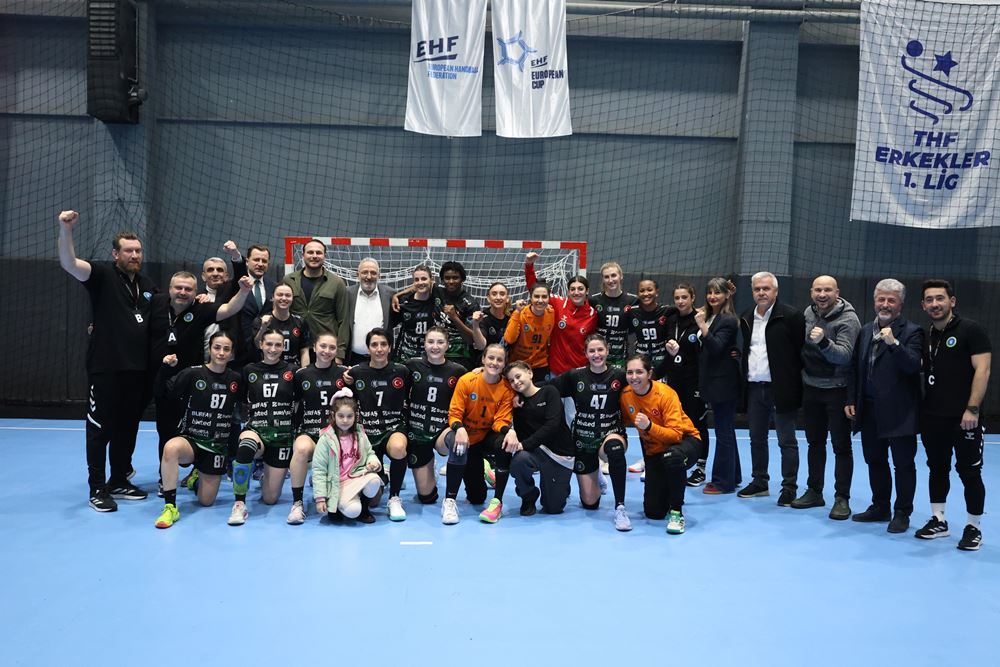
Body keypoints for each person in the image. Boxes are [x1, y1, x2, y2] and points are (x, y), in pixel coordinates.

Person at [57, 209, 157, 511]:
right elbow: (69, 263)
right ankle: (97, 488)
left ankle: (119, 480)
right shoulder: (101, 275)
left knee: (127, 428)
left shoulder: (147, 285)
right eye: (128, 251)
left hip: (137, 371)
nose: (134, 255)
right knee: (100, 428)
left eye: (138, 250)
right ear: (116, 254)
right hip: (106, 368)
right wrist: (66, 230)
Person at [149, 271, 253, 493]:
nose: (183, 292)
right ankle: (164, 479)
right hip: (162, 378)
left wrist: (244, 291)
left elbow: (229, 309)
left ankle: (198, 470)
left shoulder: (201, 309)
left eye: (188, 289)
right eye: (178, 288)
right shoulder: (156, 304)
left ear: (196, 292)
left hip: (195, 382)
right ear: (169, 289)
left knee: (200, 428)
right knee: (165, 430)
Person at [916, 279, 991, 550]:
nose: (935, 304)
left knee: (969, 472)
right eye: (929, 300)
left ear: (952, 301)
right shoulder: (925, 335)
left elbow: (983, 370)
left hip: (964, 418)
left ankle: (974, 527)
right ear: (923, 305)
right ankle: (939, 520)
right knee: (937, 468)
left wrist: (972, 408)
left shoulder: (971, 329)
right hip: (932, 417)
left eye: (940, 298)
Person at [845, 279, 923, 534]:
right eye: (881, 299)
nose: (885, 304)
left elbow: (912, 365)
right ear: (874, 301)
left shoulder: (912, 332)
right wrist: (851, 399)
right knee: (875, 460)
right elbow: (855, 367)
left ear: (901, 304)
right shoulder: (866, 330)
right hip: (868, 409)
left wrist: (894, 344)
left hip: (900, 412)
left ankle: (902, 512)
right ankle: (880, 506)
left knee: (903, 464)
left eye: (891, 300)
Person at [153, 331, 242, 528]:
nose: (221, 353)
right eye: (217, 347)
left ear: (231, 354)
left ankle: (196, 478)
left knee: (206, 501)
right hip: (192, 441)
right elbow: (162, 392)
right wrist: (165, 368)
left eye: (226, 349)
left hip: (216, 446)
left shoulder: (236, 379)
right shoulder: (192, 374)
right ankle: (170, 507)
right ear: (209, 349)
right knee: (171, 448)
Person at [793, 275, 861, 519]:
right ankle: (814, 491)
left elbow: (844, 355)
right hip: (811, 388)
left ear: (837, 293)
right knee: (814, 443)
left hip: (838, 390)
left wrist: (823, 341)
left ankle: (842, 498)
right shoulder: (808, 313)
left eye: (827, 290)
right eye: (818, 290)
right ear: (812, 292)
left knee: (841, 446)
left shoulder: (849, 319)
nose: (822, 295)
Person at [549, 334, 631, 530]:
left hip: (610, 435)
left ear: (607, 351)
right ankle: (596, 473)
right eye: (592, 351)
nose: (596, 354)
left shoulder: (620, 375)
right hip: (583, 440)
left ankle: (620, 508)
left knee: (614, 449)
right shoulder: (575, 376)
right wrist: (519, 390)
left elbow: (643, 382)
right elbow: (546, 389)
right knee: (590, 503)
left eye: (600, 350)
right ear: (585, 354)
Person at [736, 272, 805, 506]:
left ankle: (789, 487)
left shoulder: (791, 316)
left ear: (775, 291)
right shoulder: (746, 316)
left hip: (782, 389)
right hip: (755, 388)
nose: (761, 293)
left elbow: (800, 352)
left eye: (766, 288)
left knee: (787, 441)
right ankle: (760, 482)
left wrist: (792, 382)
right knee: (756, 438)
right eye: (757, 289)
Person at [620, 354, 703, 535]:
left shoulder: (666, 394)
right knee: (654, 512)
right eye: (630, 372)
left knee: (672, 457)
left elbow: (675, 435)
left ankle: (677, 513)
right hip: (656, 451)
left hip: (686, 441)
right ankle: (667, 492)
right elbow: (622, 420)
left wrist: (649, 426)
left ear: (649, 374)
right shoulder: (626, 395)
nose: (634, 377)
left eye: (639, 372)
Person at [441, 344, 517, 524]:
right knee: (459, 448)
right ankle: (449, 501)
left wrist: (509, 431)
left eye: (499, 360)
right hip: (464, 435)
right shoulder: (467, 380)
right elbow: (454, 413)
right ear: (483, 359)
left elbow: (500, 421)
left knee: (503, 443)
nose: (494, 363)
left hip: (484, 438)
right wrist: (459, 428)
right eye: (491, 358)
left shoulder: (506, 389)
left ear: (504, 364)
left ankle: (496, 501)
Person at [228, 328, 297, 525]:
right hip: (256, 430)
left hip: (282, 437)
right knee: (246, 446)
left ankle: (265, 477)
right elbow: (240, 399)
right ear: (261, 345)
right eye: (269, 344)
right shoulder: (250, 370)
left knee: (270, 498)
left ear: (283, 347)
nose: (273, 349)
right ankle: (239, 504)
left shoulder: (293, 371)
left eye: (278, 345)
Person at [348, 328, 411, 521]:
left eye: (383, 344)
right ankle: (383, 476)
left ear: (390, 347)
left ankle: (394, 498)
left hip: (393, 428)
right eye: (374, 345)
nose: (379, 349)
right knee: (373, 502)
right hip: (367, 433)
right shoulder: (356, 372)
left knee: (398, 447)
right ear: (368, 348)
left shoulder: (401, 371)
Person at [286, 333, 348, 525]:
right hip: (311, 432)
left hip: (337, 435)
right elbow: (294, 405)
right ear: (314, 347)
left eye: (332, 347)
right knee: (301, 448)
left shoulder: (345, 374)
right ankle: (297, 503)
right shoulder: (301, 374)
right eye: (323, 346)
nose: (327, 351)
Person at [654, 282, 711, 484]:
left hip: (694, 381)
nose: (680, 301)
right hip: (674, 381)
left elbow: (704, 353)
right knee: (674, 423)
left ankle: (700, 468)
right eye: (677, 298)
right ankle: (677, 460)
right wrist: (654, 374)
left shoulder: (700, 319)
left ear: (693, 298)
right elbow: (669, 355)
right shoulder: (671, 320)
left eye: (684, 297)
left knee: (697, 424)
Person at [405, 327, 465, 505]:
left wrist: (480, 372)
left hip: (442, 431)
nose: (435, 346)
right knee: (427, 498)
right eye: (430, 342)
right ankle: (430, 465)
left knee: (456, 441)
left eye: (440, 342)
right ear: (424, 344)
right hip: (417, 433)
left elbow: (474, 386)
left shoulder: (458, 371)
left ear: (447, 345)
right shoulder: (411, 365)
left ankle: (451, 498)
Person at [506, 361, 575, 516]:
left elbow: (552, 425)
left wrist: (524, 445)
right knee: (519, 461)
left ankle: (561, 484)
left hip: (559, 454)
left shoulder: (549, 392)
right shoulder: (517, 403)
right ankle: (528, 497)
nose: (516, 382)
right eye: (511, 380)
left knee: (553, 509)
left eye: (518, 376)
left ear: (530, 373)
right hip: (536, 453)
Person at [695, 277, 742, 495]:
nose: (712, 296)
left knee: (723, 432)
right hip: (713, 381)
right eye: (710, 292)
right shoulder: (710, 316)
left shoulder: (728, 320)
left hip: (724, 384)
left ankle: (723, 482)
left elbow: (716, 347)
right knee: (726, 430)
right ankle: (734, 475)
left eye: (718, 292)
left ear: (726, 296)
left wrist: (703, 327)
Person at [312, 388, 384, 524]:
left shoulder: (360, 434)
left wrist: (373, 462)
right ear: (333, 415)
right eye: (341, 416)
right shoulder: (326, 439)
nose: (345, 420)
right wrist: (320, 498)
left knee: (374, 480)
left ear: (355, 416)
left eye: (349, 416)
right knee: (353, 511)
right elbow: (319, 470)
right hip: (336, 485)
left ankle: (365, 509)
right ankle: (338, 506)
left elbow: (370, 453)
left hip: (356, 477)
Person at [524, 252, 597, 375]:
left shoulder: (592, 315)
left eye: (580, 289)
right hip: (556, 372)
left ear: (587, 291)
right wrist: (529, 265)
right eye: (572, 289)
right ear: (568, 292)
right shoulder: (558, 303)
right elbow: (535, 289)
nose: (576, 292)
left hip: (579, 372)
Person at [282, 238, 350, 363]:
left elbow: (344, 320)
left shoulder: (337, 283)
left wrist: (339, 354)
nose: (314, 256)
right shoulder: (288, 280)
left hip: (326, 351)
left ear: (324, 256)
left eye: (318, 253)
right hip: (296, 348)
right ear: (303, 255)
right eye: (310, 252)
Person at [589, 261, 638, 368]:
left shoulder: (633, 301)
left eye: (613, 275)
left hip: (620, 358)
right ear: (603, 279)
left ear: (621, 276)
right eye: (606, 277)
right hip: (598, 356)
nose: (610, 280)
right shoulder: (593, 300)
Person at [392, 266, 445, 362]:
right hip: (407, 355)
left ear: (431, 279)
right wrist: (396, 295)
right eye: (417, 279)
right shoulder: (404, 302)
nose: (420, 282)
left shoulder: (438, 298)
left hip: (431, 354)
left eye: (424, 279)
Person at [503, 282, 555, 379]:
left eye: (544, 297)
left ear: (549, 298)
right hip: (519, 364)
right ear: (530, 298)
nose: (540, 300)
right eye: (536, 296)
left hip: (541, 364)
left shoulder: (552, 313)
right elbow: (509, 339)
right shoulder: (520, 313)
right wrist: (517, 312)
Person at [251, 284, 311, 367]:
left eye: (288, 295)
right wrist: (263, 327)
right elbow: (257, 345)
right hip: (268, 369)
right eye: (280, 295)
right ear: (272, 297)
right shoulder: (261, 321)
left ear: (292, 298)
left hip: (292, 370)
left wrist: (304, 371)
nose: (284, 298)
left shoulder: (300, 322)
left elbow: (304, 351)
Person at [346, 258, 392, 365]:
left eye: (373, 273)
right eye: (365, 272)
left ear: (379, 276)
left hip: (381, 359)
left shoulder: (390, 294)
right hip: (352, 358)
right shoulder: (346, 294)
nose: (369, 277)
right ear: (358, 275)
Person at [628, 278, 675, 379]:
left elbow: (686, 310)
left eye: (649, 290)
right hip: (641, 360)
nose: (646, 294)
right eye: (642, 291)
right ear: (638, 294)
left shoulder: (667, 310)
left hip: (661, 361)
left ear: (656, 292)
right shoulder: (632, 312)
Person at [437, 261, 479, 369]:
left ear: (462, 279)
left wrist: (455, 317)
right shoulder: (437, 293)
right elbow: (417, 286)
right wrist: (397, 296)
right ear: (442, 280)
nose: (451, 281)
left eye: (455, 278)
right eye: (447, 278)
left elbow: (472, 339)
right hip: (438, 353)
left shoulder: (471, 304)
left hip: (461, 357)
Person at [471, 282, 512, 350]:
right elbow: (480, 346)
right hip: (489, 356)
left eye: (502, 294)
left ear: (507, 298)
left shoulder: (513, 315)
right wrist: (475, 325)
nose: (498, 297)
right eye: (494, 294)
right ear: (488, 298)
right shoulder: (483, 318)